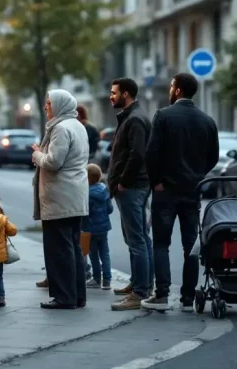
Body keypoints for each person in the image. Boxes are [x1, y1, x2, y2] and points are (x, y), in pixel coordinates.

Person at [142, 73, 219, 312]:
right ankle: (187, 298)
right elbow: (213, 157)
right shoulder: (207, 121)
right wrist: (197, 176)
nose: (169, 90)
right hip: (192, 192)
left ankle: (162, 295)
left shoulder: (163, 116)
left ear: (177, 90)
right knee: (191, 246)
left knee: (161, 244)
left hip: (166, 191)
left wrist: (157, 182)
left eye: (171, 86)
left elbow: (151, 153)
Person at [31, 90, 90, 310]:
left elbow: (54, 162)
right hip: (74, 196)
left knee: (59, 249)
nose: (46, 107)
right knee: (72, 247)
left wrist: (37, 154)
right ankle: (77, 295)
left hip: (60, 197)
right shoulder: (77, 126)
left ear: (59, 105)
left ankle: (64, 296)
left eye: (49, 103)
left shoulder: (61, 128)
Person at [107, 77, 154, 311]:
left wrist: (123, 182)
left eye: (114, 92)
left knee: (137, 240)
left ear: (125, 94)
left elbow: (137, 154)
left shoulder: (135, 118)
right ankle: (141, 283)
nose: (111, 96)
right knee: (140, 238)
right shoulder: (132, 116)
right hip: (135, 186)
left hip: (133, 187)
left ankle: (140, 292)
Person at [83, 164, 113, 290]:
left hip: (91, 228)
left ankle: (96, 279)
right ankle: (107, 280)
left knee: (94, 254)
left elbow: (85, 212)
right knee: (105, 253)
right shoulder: (104, 190)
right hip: (104, 228)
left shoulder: (86, 193)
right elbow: (110, 209)